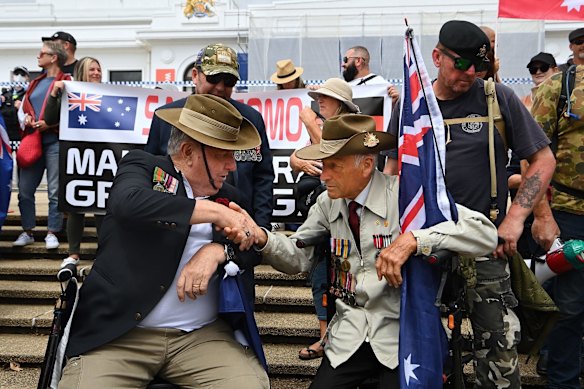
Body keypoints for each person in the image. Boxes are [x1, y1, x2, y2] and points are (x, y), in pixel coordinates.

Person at [244, 114, 498, 388]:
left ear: (366, 165)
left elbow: (484, 233)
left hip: (401, 334)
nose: (324, 175)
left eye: (333, 166)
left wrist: (414, 239)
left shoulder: (405, 196)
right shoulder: (328, 202)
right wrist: (261, 237)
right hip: (349, 333)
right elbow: (297, 256)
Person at [384, 20, 556, 388]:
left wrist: (516, 218)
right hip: (424, 245)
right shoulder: (412, 107)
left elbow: (543, 160)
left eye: (479, 67)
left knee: (499, 360)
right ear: (437, 57)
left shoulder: (497, 98)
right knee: (424, 355)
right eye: (461, 64)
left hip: (484, 245)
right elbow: (392, 173)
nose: (470, 74)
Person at [59, 94, 269, 389]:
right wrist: (214, 212)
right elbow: (127, 203)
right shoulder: (142, 166)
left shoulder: (231, 196)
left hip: (201, 337)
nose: (232, 166)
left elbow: (252, 250)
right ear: (189, 151)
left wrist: (218, 251)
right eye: (224, 154)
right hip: (121, 337)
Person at [145, 43, 275, 307]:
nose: (219, 87)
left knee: (239, 315)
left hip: (238, 236)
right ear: (195, 75)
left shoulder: (251, 121)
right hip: (179, 236)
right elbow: (152, 174)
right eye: (214, 78)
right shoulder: (167, 118)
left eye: (228, 81)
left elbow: (262, 177)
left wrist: (257, 228)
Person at [289, 77, 359, 361]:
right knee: (320, 278)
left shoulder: (352, 130)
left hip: (345, 222)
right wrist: (298, 161)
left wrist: (309, 124)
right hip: (318, 222)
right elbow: (298, 155)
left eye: (325, 98)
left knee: (345, 280)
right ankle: (325, 338)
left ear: (340, 104)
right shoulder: (322, 130)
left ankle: (347, 338)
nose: (318, 102)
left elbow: (332, 157)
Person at [531, 29, 584, 388]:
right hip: (569, 212)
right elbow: (533, 155)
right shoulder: (559, 87)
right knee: (571, 307)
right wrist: (541, 214)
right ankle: (563, 381)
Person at [43, 57, 105, 267]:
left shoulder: (109, 95)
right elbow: (50, 118)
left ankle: (104, 253)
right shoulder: (70, 93)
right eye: (92, 69)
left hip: (102, 156)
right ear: (82, 72)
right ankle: (73, 253)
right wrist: (54, 92)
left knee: (102, 207)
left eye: (98, 69)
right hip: (75, 156)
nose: (96, 73)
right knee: (76, 206)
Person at [12, 41, 71, 250]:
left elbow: (71, 111)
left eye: (42, 53)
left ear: (53, 57)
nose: (38, 56)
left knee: (55, 190)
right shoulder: (36, 82)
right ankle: (27, 230)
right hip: (33, 140)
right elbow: (24, 109)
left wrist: (51, 123)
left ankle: (52, 231)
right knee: (25, 190)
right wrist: (26, 119)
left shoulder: (67, 81)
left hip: (55, 141)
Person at [1, 66, 29, 150]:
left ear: (27, 77)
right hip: (5, 134)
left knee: (22, 160)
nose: (19, 77)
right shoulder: (5, 94)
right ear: (13, 76)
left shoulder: (28, 95)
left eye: (22, 74)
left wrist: (23, 107)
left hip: (21, 135)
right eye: (17, 74)